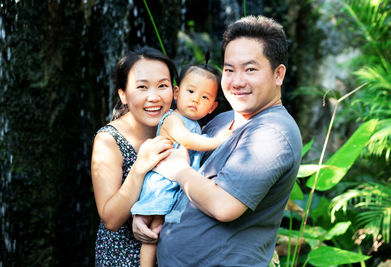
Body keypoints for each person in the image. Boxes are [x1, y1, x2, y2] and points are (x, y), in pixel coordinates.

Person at [132, 15, 303, 266]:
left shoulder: (273, 133)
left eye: (251, 69)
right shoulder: (222, 121)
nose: (237, 81)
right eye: (229, 70)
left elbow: (224, 206)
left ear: (278, 74)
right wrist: (150, 212)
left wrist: (177, 170)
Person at [131, 63, 230, 267]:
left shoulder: (196, 125)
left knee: (160, 229)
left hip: (178, 185)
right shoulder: (173, 119)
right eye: (191, 91)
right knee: (152, 230)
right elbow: (187, 140)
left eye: (204, 97)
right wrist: (218, 141)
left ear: (212, 107)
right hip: (162, 184)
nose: (195, 99)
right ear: (177, 92)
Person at [91, 47, 177, 266]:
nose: (154, 97)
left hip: (173, 251)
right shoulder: (108, 140)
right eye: (142, 87)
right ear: (123, 95)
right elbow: (110, 219)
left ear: (175, 91)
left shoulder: (182, 128)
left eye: (162, 85)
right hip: (124, 258)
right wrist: (140, 167)